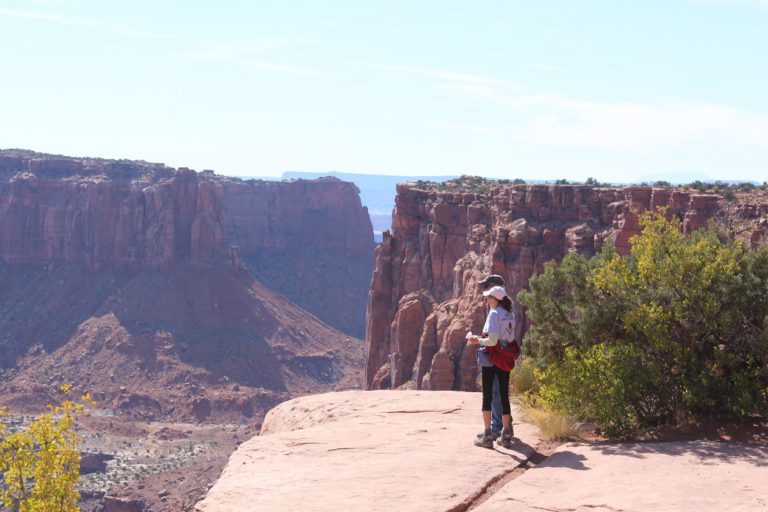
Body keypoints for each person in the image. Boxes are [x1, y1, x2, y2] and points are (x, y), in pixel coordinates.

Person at [467, 284, 516, 449]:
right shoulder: (510, 314)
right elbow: (506, 339)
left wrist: (477, 340)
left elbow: (492, 341)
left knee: (487, 395)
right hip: (505, 357)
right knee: (504, 395)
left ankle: (487, 435)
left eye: (489, 297)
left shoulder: (494, 314)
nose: (487, 299)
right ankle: (506, 434)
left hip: (491, 358)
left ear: (496, 299)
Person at [476, 274, 506, 440]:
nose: (484, 290)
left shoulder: (496, 312)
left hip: (495, 355)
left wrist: (478, 340)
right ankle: (504, 427)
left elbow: (494, 338)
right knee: (499, 392)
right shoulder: (505, 309)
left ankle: (496, 428)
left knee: (494, 392)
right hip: (502, 354)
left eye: (487, 286)